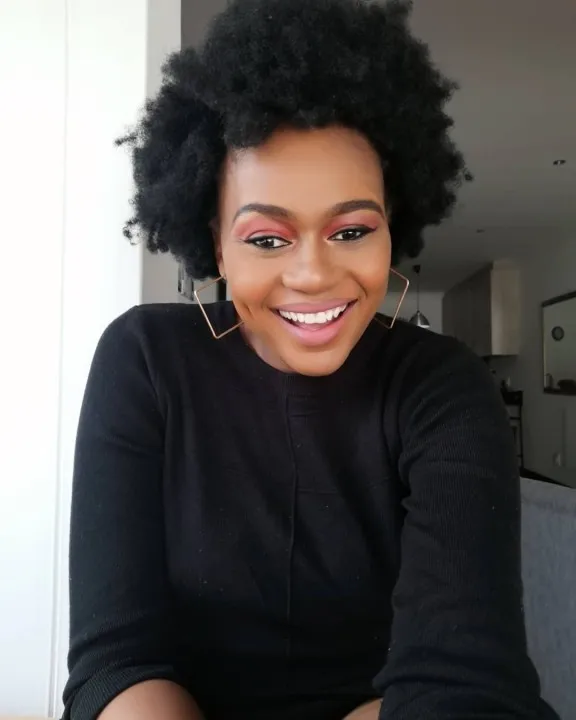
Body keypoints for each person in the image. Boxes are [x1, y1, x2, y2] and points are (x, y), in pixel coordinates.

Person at [62, 1, 558, 718]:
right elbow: (118, 664)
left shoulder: (441, 385)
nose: (314, 275)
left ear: (391, 228)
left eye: (352, 230)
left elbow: (463, 686)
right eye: (267, 239)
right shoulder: (145, 362)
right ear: (216, 242)